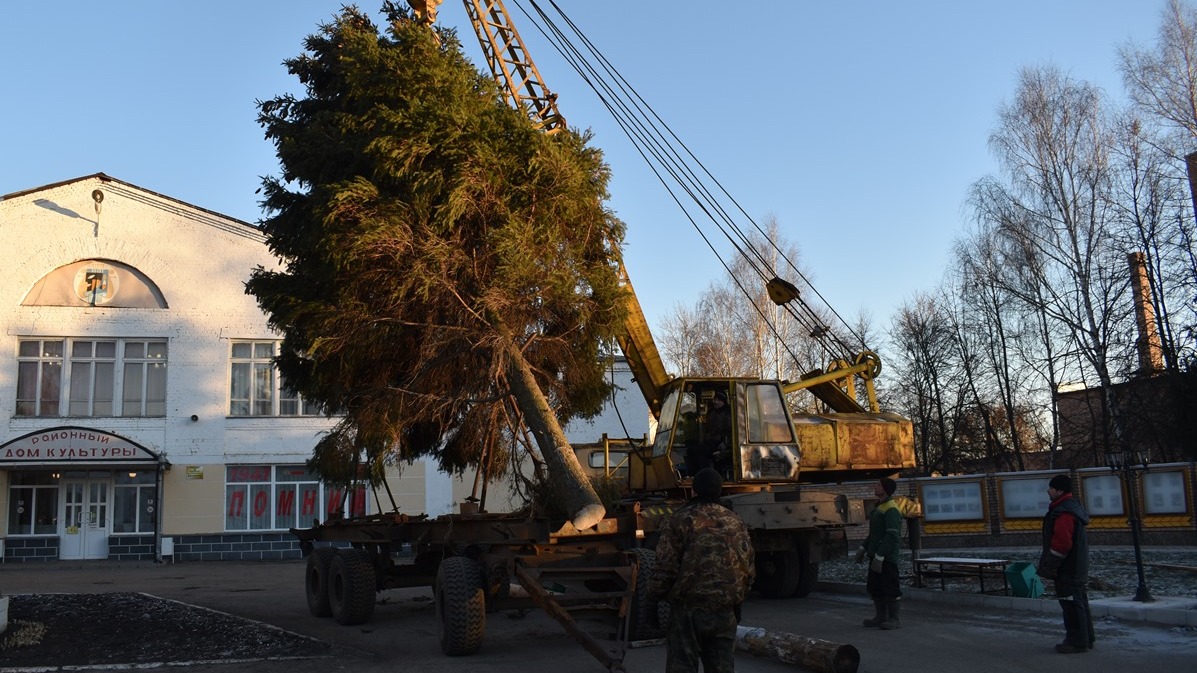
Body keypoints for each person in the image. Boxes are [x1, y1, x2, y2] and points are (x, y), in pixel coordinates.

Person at [651, 468, 755, 673]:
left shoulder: (679, 520)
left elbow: (665, 567)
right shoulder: (736, 521)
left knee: (682, 666)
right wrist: (737, 599)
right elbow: (748, 566)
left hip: (687, 611)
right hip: (725, 610)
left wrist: (654, 597)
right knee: (722, 667)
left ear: (693, 491)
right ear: (720, 491)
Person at [1037, 474, 1094, 654]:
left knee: (1071, 605)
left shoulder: (1063, 512)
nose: (1048, 491)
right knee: (1079, 603)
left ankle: (1077, 642)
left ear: (1060, 490)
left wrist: (1050, 567)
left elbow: (1062, 544)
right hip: (1075, 566)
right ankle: (1087, 638)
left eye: (1051, 488)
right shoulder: (1070, 508)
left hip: (1068, 568)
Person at [855, 476, 903, 629]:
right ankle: (880, 617)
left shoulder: (891, 509)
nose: (875, 487)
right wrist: (864, 548)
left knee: (890, 586)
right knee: (875, 586)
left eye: (878, 485)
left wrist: (881, 555)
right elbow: (875, 533)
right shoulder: (879, 507)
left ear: (885, 489)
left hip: (886, 557)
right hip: (875, 555)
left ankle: (894, 619)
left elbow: (892, 535)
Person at [690, 391, 732, 474]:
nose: (716, 402)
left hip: (720, 442)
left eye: (719, 400)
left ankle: (705, 474)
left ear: (724, 401)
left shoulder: (728, 413)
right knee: (692, 448)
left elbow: (730, 430)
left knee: (700, 452)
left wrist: (725, 442)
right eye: (715, 399)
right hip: (711, 441)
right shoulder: (712, 413)